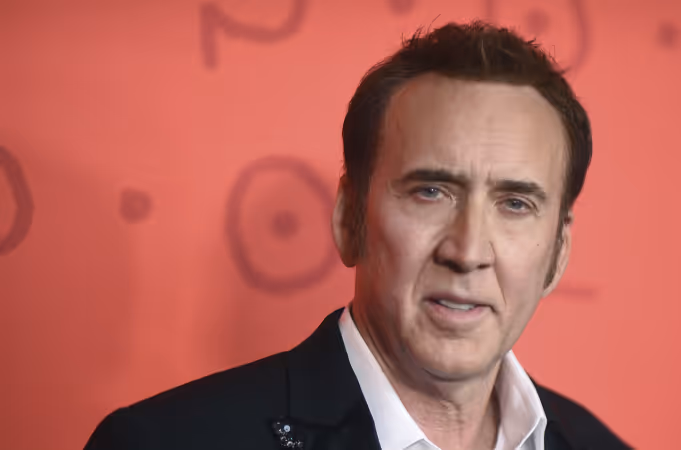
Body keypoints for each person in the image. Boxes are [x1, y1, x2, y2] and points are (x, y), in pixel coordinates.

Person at [85, 21, 630, 450]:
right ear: (349, 219)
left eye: (515, 204)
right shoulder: (162, 442)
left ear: (558, 253)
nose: (466, 252)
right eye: (430, 192)